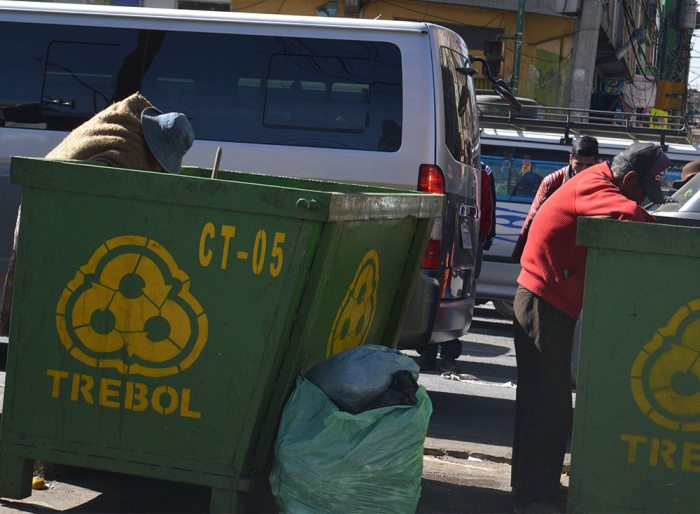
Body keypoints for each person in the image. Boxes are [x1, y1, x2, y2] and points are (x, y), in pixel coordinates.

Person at [510, 142, 668, 513]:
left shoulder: (600, 180)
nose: (644, 199)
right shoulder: (597, 185)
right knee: (546, 406)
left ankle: (537, 488)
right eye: (645, 190)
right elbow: (633, 217)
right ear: (629, 179)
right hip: (542, 303)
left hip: (549, 302)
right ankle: (533, 498)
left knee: (546, 403)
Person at [0, 92, 194, 337]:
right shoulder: (126, 151)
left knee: (36, 303)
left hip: (42, 212)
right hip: (53, 220)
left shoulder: (124, 130)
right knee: (48, 310)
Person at [512, 135, 599, 261]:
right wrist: (520, 254)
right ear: (570, 159)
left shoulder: (602, 185)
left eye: (589, 165)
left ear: (596, 163)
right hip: (554, 250)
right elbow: (533, 218)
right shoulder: (551, 183)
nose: (583, 170)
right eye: (579, 164)